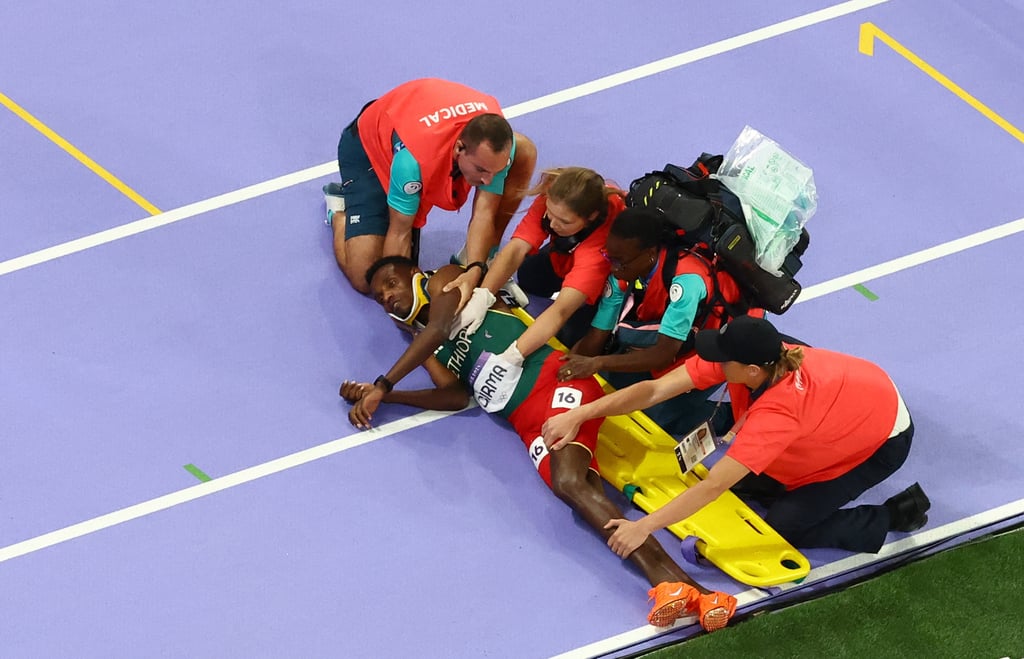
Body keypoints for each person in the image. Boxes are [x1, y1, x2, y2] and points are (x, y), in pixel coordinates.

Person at [340, 255, 737, 632]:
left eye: (391, 283)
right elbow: (455, 396)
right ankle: (687, 592)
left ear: (415, 274)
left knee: (569, 483)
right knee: (584, 498)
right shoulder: (423, 343)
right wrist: (390, 398)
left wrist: (383, 384)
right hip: (527, 422)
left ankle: (692, 590)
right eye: (380, 297)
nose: (388, 296)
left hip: (553, 383)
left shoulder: (445, 280)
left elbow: (441, 327)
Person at [541, 315, 930, 558]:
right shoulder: (760, 358)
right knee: (751, 480)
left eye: (724, 358)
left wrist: (642, 527)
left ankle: (893, 514)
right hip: (849, 404)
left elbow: (712, 486)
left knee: (784, 524)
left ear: (750, 371)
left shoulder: (778, 413)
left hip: (881, 438)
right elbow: (656, 390)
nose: (714, 360)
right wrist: (581, 413)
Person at [323, 78, 537, 296]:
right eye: (481, 170)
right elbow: (400, 232)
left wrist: (474, 269)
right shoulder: (412, 163)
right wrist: (405, 304)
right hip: (369, 149)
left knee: (524, 151)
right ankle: (340, 211)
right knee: (366, 276)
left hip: (415, 127)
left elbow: (484, 213)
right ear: (459, 148)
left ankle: (483, 256)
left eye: (496, 171)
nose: (489, 181)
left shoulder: (496, 152)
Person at [559, 207, 758, 435]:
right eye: (609, 257)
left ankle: (727, 415)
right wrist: (571, 365)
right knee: (591, 366)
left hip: (712, 347)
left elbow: (662, 355)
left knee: (653, 418)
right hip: (665, 335)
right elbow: (599, 331)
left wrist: (597, 363)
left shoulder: (686, 284)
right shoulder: (623, 269)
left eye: (620, 262)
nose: (613, 268)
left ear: (650, 254)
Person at [449, 166, 623, 351]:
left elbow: (560, 311)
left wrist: (513, 356)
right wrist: (483, 295)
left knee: (566, 336)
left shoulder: (601, 242)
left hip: (603, 277)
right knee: (529, 274)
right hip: (566, 252)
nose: (553, 224)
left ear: (591, 218)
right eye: (550, 214)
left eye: (564, 221)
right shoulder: (556, 194)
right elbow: (517, 248)